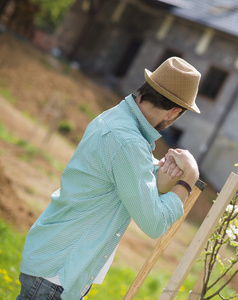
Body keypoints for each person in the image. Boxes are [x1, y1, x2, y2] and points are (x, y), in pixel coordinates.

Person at [17, 57, 201, 300]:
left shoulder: (118, 121)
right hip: (58, 274)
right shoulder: (129, 142)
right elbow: (154, 223)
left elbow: (130, 173)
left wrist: (161, 170)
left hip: (56, 267)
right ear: (175, 111)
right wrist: (189, 179)